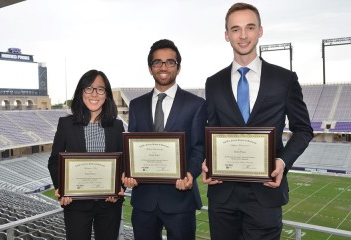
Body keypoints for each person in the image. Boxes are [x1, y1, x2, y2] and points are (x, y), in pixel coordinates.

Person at [203, 3, 313, 240]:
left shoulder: (284, 79)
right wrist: (206, 160)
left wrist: (282, 161)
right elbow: (210, 130)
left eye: (249, 27)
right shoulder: (213, 82)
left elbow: (303, 130)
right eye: (235, 29)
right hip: (223, 194)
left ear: (260, 31)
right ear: (226, 35)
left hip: (266, 194)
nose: (243, 35)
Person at [124, 39, 207, 240]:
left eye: (170, 62)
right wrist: (128, 172)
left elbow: (199, 148)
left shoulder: (195, 104)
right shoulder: (136, 105)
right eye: (157, 62)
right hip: (144, 200)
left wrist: (190, 173)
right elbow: (132, 148)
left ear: (178, 68)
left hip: (180, 198)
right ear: (150, 68)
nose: (163, 67)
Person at [48, 69, 124, 240]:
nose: (94, 94)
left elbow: (123, 163)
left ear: (107, 94)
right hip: (76, 205)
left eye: (100, 89)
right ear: (81, 92)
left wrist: (120, 187)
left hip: (109, 205)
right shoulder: (66, 124)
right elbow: (54, 161)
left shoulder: (117, 126)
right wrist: (62, 188)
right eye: (88, 88)